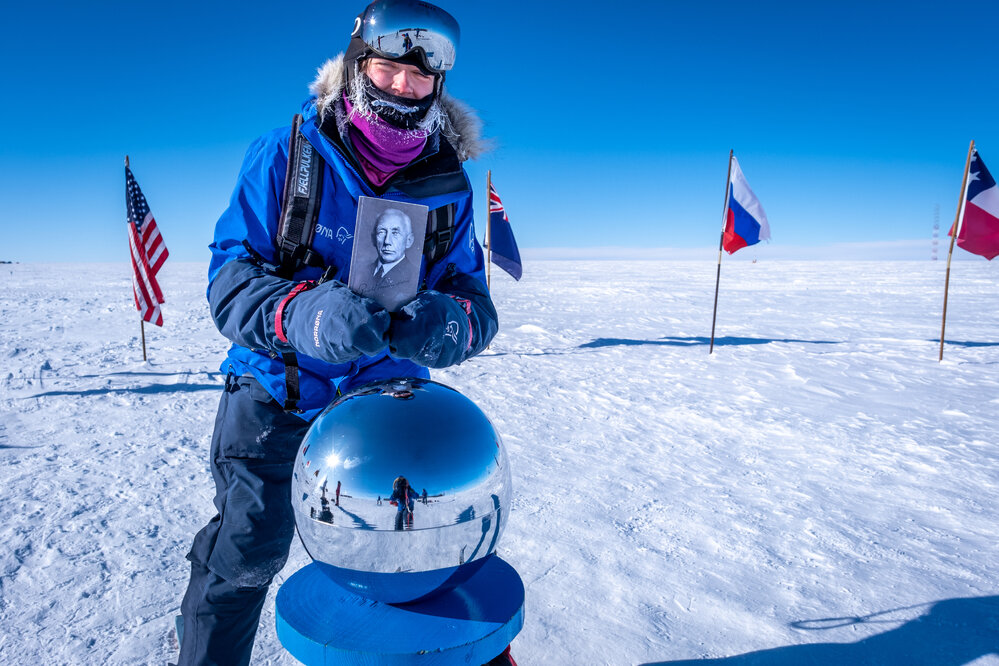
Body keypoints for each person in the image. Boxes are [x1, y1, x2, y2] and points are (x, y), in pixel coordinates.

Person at [177, 1, 507, 664]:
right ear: (358, 66)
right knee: (242, 559)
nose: (404, 88)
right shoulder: (287, 155)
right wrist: (303, 315)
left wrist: (451, 322)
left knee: (411, 570)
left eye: (420, 79)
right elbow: (229, 279)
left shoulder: (448, 185)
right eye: (389, 70)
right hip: (276, 395)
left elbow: (474, 299)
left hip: (388, 414)